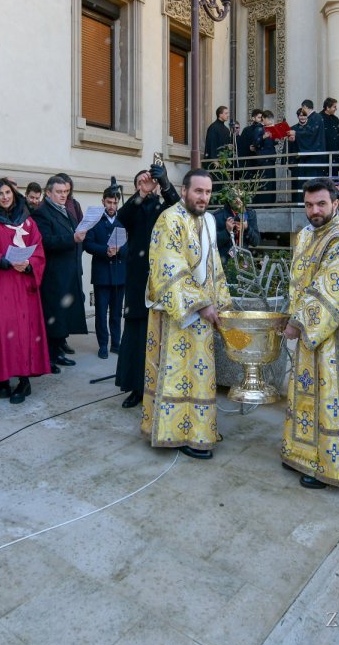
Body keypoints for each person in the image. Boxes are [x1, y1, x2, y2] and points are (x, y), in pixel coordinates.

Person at [281, 178, 339, 489]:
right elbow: (300, 279)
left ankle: (331, 467)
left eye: (321, 204)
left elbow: (332, 290)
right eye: (308, 205)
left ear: (335, 204)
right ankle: (305, 454)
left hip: (333, 337)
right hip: (309, 333)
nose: (314, 210)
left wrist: (298, 321)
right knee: (308, 397)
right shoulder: (307, 235)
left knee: (330, 397)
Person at [141, 169, 232, 459]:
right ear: (184, 191)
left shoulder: (208, 221)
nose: (203, 197)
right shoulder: (170, 219)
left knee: (200, 375)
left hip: (203, 315)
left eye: (207, 192)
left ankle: (198, 429)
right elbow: (168, 267)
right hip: (176, 314)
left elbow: (214, 266)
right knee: (177, 374)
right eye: (198, 191)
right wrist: (200, 304)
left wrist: (223, 305)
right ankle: (173, 431)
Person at [0, 178, 51, 403]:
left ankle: (24, 381)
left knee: (23, 334)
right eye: (0, 194)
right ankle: (3, 378)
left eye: (8, 192)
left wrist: (29, 264)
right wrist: (4, 261)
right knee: (0, 332)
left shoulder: (27, 221)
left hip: (23, 287)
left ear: (14, 194)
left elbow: (39, 250)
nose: (5, 197)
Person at [116, 164, 180, 408]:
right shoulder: (133, 208)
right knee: (136, 335)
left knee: (160, 334)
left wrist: (165, 184)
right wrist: (140, 194)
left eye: (150, 183)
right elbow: (121, 218)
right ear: (137, 187)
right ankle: (135, 388)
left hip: (161, 280)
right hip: (137, 281)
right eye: (143, 183)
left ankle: (159, 385)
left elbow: (178, 208)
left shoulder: (161, 207)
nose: (148, 186)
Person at [36, 175, 88, 366]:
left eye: (65, 191)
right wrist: (71, 239)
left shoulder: (66, 209)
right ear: (48, 193)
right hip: (54, 274)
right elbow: (45, 241)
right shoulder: (42, 212)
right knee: (54, 316)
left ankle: (57, 351)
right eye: (59, 192)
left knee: (63, 315)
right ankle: (49, 357)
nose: (63, 195)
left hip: (68, 271)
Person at [83, 186, 126, 360]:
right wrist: (104, 250)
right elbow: (87, 244)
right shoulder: (94, 220)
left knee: (116, 312)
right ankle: (102, 345)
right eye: (109, 202)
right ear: (103, 202)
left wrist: (120, 250)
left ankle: (115, 343)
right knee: (101, 313)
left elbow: (129, 245)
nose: (112, 206)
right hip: (101, 275)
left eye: (115, 203)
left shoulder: (123, 221)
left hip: (119, 274)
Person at [214, 194, 260, 261]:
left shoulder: (250, 214)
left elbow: (256, 242)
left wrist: (247, 228)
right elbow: (213, 243)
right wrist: (227, 231)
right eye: (234, 196)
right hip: (224, 262)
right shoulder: (218, 215)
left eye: (240, 196)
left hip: (243, 262)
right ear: (228, 198)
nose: (238, 200)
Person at [289, 106, 326, 189]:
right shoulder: (293, 129)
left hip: (310, 160)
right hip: (298, 160)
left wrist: (297, 135)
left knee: (311, 184)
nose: (302, 117)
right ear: (298, 116)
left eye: (304, 115)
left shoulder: (311, 129)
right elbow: (290, 146)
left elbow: (314, 140)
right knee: (299, 185)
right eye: (301, 116)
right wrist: (291, 140)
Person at [254, 110, 281, 204]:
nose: (270, 121)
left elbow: (272, 142)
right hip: (263, 158)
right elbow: (255, 143)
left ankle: (271, 201)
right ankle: (263, 202)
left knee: (271, 181)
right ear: (264, 119)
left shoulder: (271, 128)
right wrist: (263, 137)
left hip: (271, 158)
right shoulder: (259, 129)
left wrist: (277, 138)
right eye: (268, 119)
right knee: (264, 181)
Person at [320, 98, 339, 177]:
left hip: (335, 155)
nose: (336, 109)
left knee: (334, 180)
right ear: (328, 107)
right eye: (334, 107)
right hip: (323, 156)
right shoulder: (318, 118)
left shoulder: (336, 119)